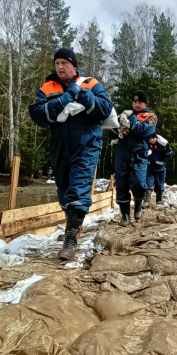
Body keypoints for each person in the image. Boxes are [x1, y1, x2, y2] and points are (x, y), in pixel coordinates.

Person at [28, 47, 113, 260]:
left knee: (79, 191)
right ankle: (73, 227)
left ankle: (70, 239)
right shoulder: (48, 87)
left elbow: (105, 108)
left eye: (64, 63)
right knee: (64, 192)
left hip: (86, 144)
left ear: (73, 65)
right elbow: (38, 115)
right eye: (56, 63)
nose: (59, 67)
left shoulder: (91, 83)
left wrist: (85, 96)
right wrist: (62, 101)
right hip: (60, 146)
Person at [114, 90, 156, 226]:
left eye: (140, 102)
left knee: (138, 182)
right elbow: (112, 130)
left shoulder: (151, 117)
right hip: (122, 153)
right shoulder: (125, 114)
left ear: (145, 103)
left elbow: (142, 131)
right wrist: (119, 126)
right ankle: (125, 215)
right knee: (121, 184)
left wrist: (131, 121)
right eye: (135, 102)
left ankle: (138, 203)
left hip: (139, 154)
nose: (137, 105)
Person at [145, 134, 173, 207]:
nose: (151, 140)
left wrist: (168, 147)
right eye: (150, 138)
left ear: (156, 138)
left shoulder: (162, 145)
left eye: (153, 138)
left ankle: (159, 201)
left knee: (160, 186)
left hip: (160, 169)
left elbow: (169, 155)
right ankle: (147, 201)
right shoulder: (147, 145)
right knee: (148, 185)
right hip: (149, 168)